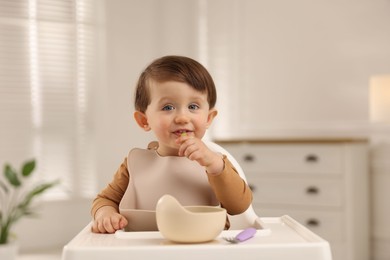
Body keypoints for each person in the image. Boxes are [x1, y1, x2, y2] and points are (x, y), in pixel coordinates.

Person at [91, 55, 252, 233]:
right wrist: (105, 214)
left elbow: (240, 206)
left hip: (205, 250)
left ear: (208, 118)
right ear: (144, 120)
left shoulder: (216, 163)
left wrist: (215, 166)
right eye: (168, 107)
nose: (183, 117)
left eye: (193, 106)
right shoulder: (135, 163)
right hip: (145, 249)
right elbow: (105, 200)